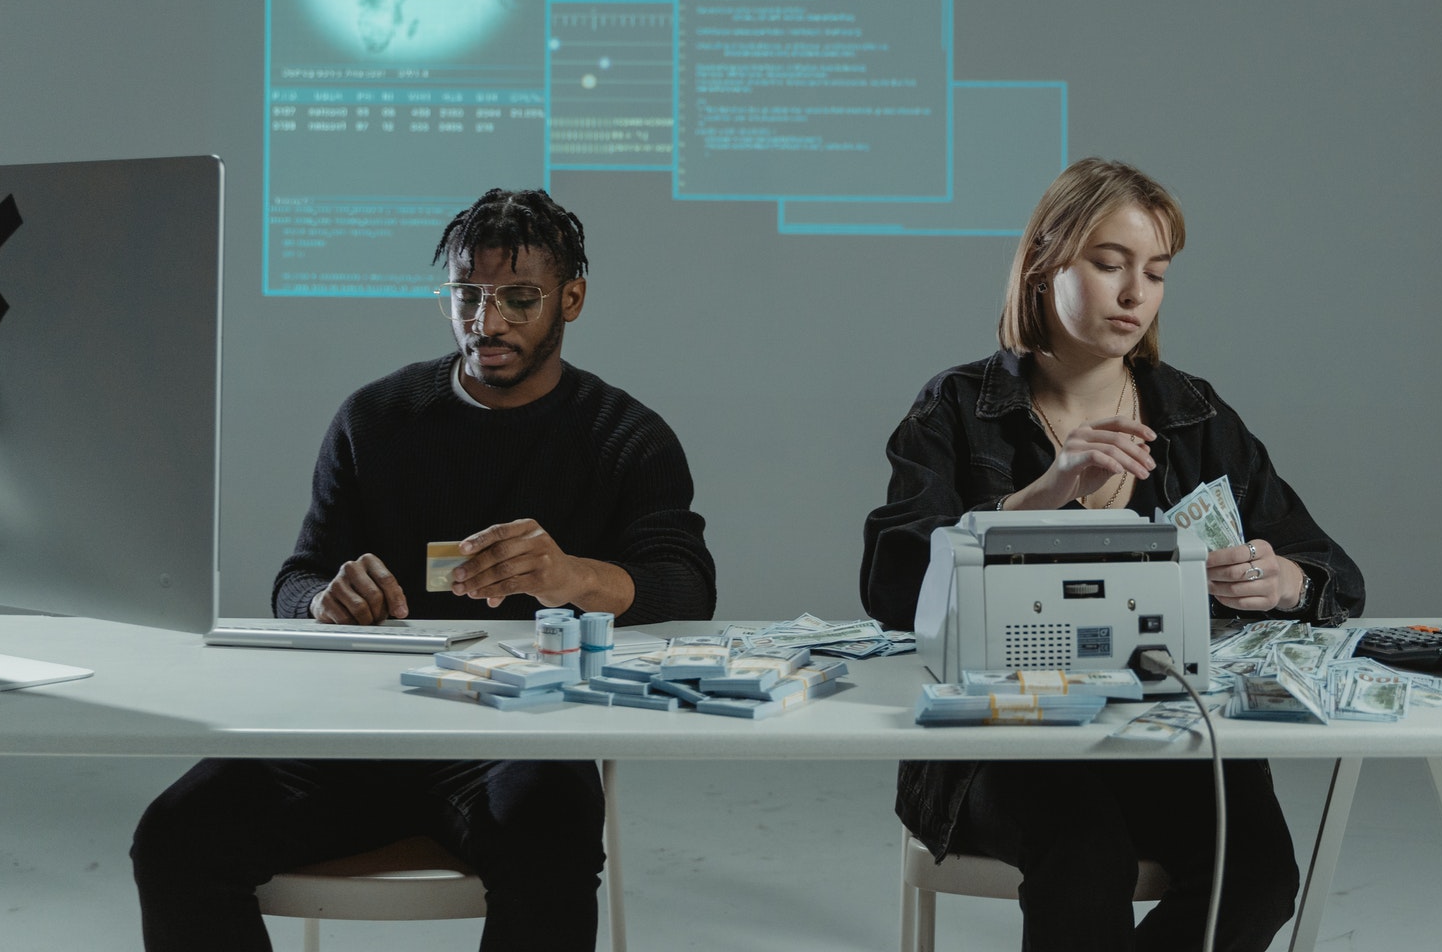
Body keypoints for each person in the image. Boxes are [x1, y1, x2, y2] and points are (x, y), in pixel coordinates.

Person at [132, 187, 715, 952]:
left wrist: (570, 577)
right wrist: (323, 602)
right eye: (466, 296)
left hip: (520, 738)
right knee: (177, 837)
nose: (488, 321)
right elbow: (298, 577)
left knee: (550, 848)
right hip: (358, 730)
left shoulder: (623, 437)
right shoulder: (376, 418)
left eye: (519, 297)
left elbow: (687, 586)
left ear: (571, 299)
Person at [860, 157, 1365, 952]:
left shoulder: (1194, 416)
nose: (1136, 295)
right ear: (1045, 262)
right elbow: (891, 585)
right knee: (1085, 858)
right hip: (1004, 746)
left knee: (1260, 875)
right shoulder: (958, 408)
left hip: (1167, 738)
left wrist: (1281, 579)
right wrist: (1040, 498)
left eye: (1156, 273)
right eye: (1109, 265)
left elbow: (1334, 574)